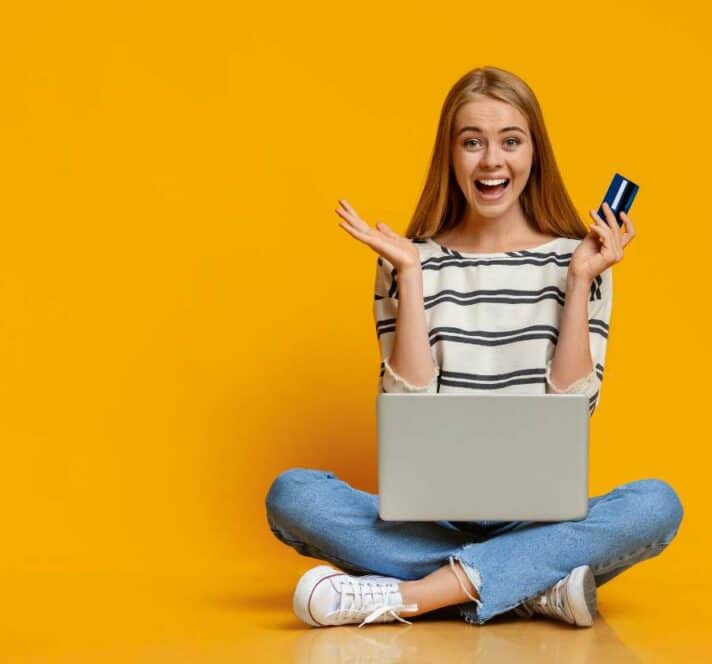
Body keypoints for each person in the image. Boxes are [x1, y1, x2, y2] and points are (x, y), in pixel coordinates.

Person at [265, 66, 683, 629]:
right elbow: (410, 411)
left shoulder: (578, 261)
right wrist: (411, 275)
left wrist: (580, 279)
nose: (492, 161)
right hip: (431, 522)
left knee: (656, 505)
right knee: (294, 496)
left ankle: (413, 596)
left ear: (534, 153)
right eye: (472, 142)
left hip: (538, 523)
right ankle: (531, 586)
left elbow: (573, 409)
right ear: (450, 155)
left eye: (511, 141)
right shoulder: (404, 260)